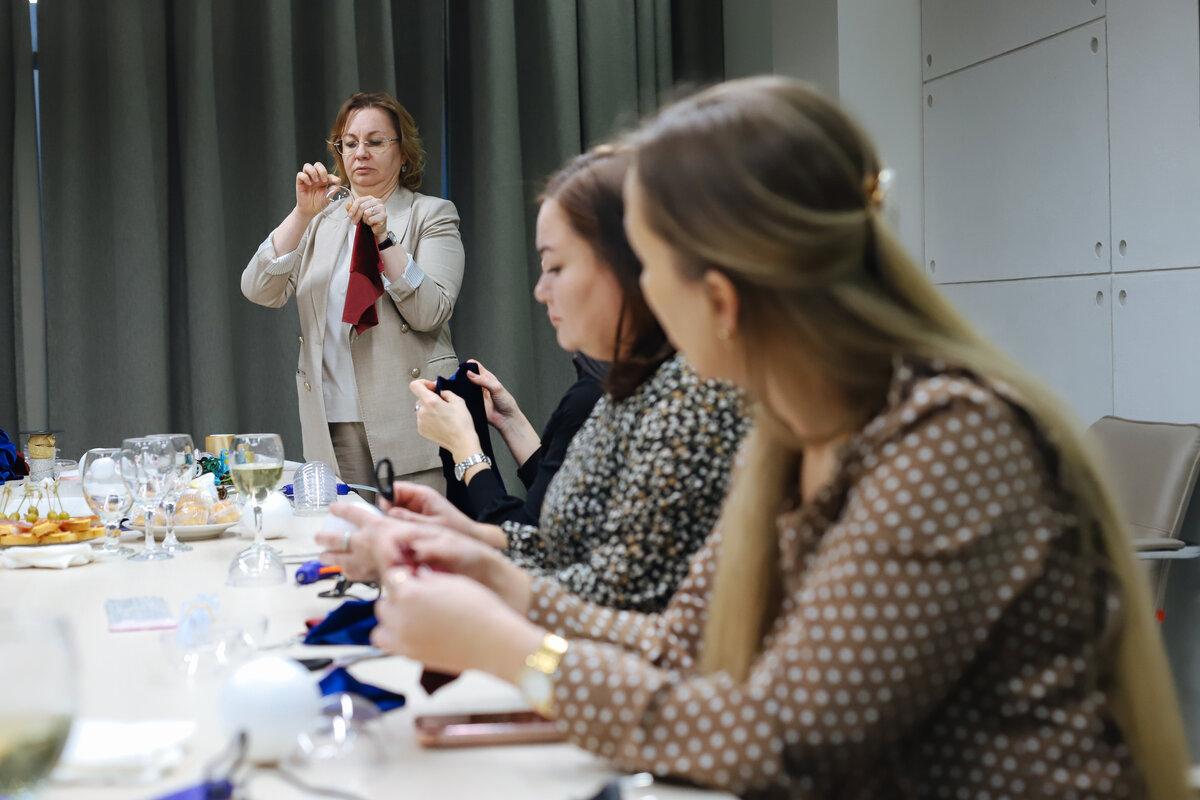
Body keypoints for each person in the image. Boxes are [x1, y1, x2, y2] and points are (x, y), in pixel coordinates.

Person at [327, 77, 1190, 798]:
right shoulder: (793, 433)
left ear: (722, 296)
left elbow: (780, 739)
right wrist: (495, 581)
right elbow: (682, 643)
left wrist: (508, 647)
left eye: (651, 268)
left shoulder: (946, 441)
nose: (646, 299)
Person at [324, 147, 749, 615]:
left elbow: (597, 602)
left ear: (630, 267)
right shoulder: (621, 391)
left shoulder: (684, 407)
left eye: (556, 267)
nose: (540, 290)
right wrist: (449, 536)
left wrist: (467, 457)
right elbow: (554, 546)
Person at [242, 91, 464, 491]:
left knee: (410, 551)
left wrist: (384, 238)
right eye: (349, 143)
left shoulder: (430, 214)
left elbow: (431, 312)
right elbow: (259, 288)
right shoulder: (320, 222)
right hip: (331, 421)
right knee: (350, 547)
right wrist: (302, 213)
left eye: (376, 142)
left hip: (410, 418)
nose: (360, 152)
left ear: (403, 153)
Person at [411, 353, 606, 526]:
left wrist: (462, 445)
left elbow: (522, 541)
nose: (548, 308)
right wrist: (509, 421)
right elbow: (561, 501)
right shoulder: (598, 383)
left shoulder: (596, 397)